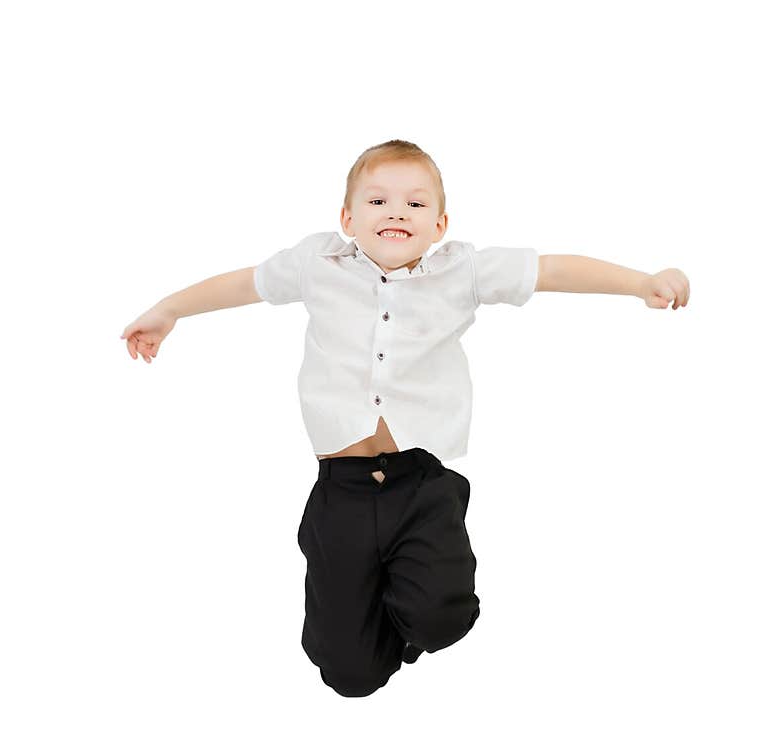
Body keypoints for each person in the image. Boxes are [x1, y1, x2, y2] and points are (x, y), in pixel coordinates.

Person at [121, 139, 690, 698]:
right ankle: (360, 603)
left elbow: (552, 271)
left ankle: (420, 575)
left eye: (416, 204)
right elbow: (240, 284)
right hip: (341, 488)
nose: (396, 211)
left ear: (440, 225)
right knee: (349, 677)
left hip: (420, 482)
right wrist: (167, 310)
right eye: (377, 201)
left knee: (441, 619)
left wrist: (640, 283)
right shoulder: (315, 263)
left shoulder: (462, 269)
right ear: (347, 216)